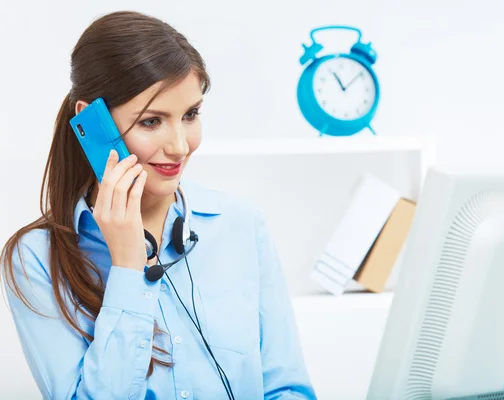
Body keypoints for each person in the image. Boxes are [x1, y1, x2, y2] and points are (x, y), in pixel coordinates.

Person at [0, 10, 316, 400]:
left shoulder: (240, 225)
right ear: (93, 124)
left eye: (190, 115)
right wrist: (127, 268)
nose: (180, 146)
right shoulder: (35, 259)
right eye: (152, 121)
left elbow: (288, 389)